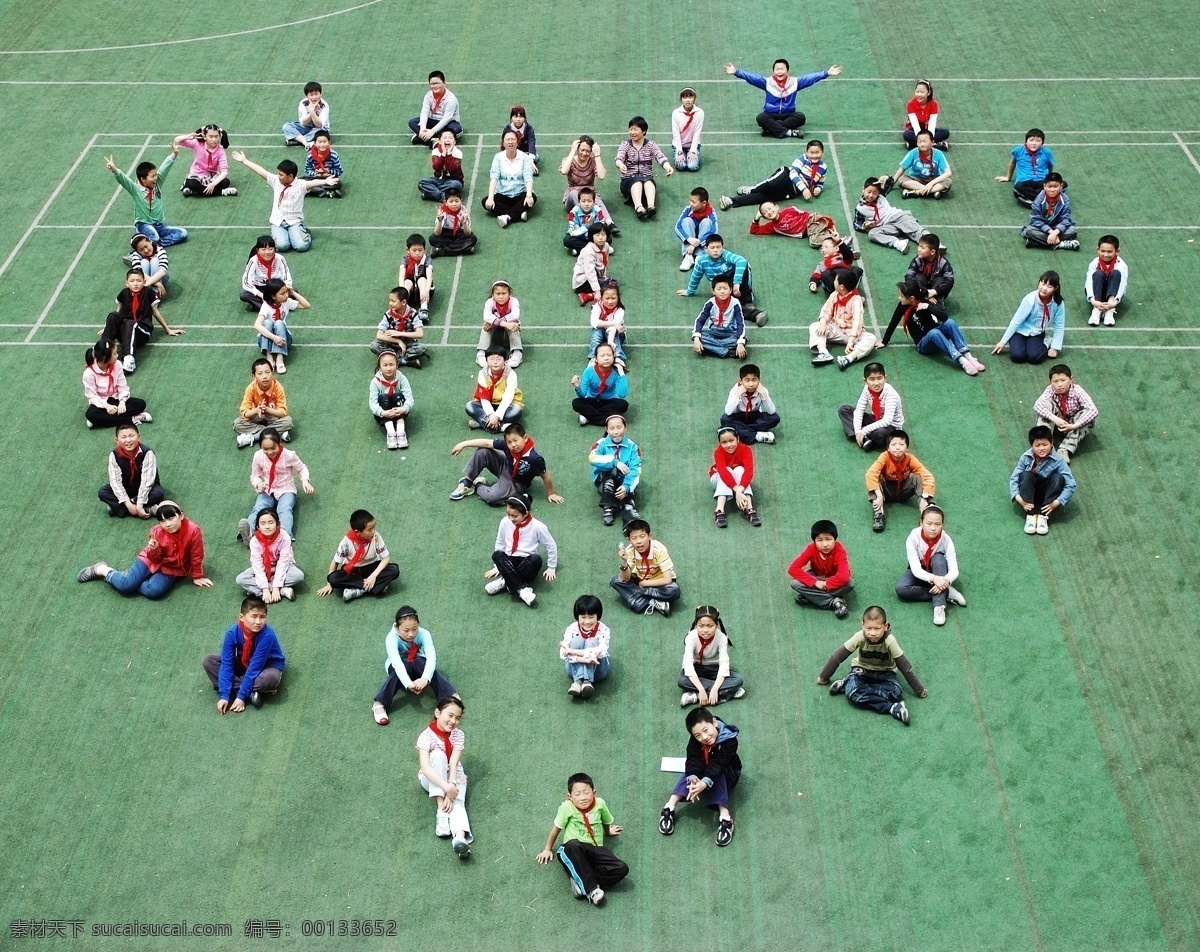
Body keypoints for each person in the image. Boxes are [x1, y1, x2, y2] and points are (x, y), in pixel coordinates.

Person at [78, 501, 212, 599]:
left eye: (171, 518)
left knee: (154, 591)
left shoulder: (193, 531)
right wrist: (155, 549)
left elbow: (196, 555)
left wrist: (197, 576)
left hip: (173, 568)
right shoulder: (156, 532)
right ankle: (101, 569)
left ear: (181, 516)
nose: (168, 524)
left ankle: (131, 578)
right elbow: (153, 558)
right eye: (163, 521)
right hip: (150, 560)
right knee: (125, 586)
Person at [818, 605, 926, 726]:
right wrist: (824, 677)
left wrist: (919, 690)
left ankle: (848, 684)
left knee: (896, 692)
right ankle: (893, 708)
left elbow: (905, 667)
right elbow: (837, 656)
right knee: (854, 694)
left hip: (886, 673)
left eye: (877, 628)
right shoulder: (859, 637)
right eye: (868, 628)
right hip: (862, 670)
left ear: (885, 626)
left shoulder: (890, 641)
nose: (872, 633)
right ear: (862, 624)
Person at [534, 773, 628, 907]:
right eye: (577, 794)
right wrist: (547, 849)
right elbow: (556, 829)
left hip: (594, 850)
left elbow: (605, 821)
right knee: (573, 844)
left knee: (622, 868)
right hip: (572, 850)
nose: (583, 798)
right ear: (570, 797)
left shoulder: (600, 804)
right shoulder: (567, 808)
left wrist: (608, 832)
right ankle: (592, 891)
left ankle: (580, 881)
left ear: (594, 792)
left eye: (586, 793)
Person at [658, 705, 741, 847]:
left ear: (714, 722)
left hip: (728, 773)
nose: (704, 738)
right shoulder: (695, 740)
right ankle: (669, 807)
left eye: (705, 730)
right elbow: (693, 759)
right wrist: (693, 779)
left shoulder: (730, 740)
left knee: (717, 772)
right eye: (698, 735)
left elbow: (719, 763)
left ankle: (725, 819)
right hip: (706, 770)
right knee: (690, 772)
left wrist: (704, 783)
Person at [230, 152, 337, 253]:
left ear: (290, 176)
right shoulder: (276, 181)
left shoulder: (300, 185)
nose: (278, 176)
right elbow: (261, 171)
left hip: (294, 221)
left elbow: (312, 183)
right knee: (282, 246)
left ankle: (305, 232)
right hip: (278, 222)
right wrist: (244, 160)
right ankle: (289, 234)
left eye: (281, 174)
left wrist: (324, 181)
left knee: (301, 246)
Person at [372, 605, 458, 725]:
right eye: (406, 631)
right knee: (404, 665)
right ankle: (380, 703)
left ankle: (449, 695)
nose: (411, 634)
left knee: (421, 662)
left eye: (415, 629)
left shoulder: (424, 634)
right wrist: (408, 684)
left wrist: (425, 678)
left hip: (418, 663)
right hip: (399, 667)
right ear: (397, 628)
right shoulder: (391, 638)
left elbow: (431, 658)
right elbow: (397, 663)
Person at [881, 280, 985, 375]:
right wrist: (884, 341)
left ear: (912, 298)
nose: (899, 298)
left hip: (936, 334)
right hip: (923, 344)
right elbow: (893, 322)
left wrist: (927, 307)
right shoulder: (902, 306)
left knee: (950, 323)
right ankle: (962, 361)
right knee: (934, 333)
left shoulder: (924, 302)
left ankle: (968, 357)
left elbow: (944, 317)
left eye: (901, 296)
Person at [414, 696, 473, 859]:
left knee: (457, 802)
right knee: (439, 756)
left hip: (454, 775)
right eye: (450, 715)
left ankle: (460, 839)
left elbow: (453, 763)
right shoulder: (425, 737)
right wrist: (446, 789)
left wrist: (452, 786)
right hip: (431, 778)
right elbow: (426, 768)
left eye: (458, 718)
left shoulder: (458, 735)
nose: (453, 721)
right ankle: (441, 812)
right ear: (437, 713)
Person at [203, 596, 285, 712]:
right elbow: (227, 663)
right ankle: (251, 694)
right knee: (209, 661)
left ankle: (235, 688)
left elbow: (255, 666)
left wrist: (241, 697)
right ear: (241, 617)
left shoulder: (267, 636)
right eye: (254, 616)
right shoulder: (231, 633)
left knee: (269, 679)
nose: (258, 622)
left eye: (262, 617)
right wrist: (224, 696)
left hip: (267, 666)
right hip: (244, 663)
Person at [449, 422, 565, 505]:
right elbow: (486, 443)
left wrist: (551, 494)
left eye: (516, 440)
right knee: (483, 451)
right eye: (509, 442)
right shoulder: (507, 446)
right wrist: (463, 444)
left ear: (525, 438)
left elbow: (546, 476)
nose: (513, 445)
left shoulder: (534, 459)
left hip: (516, 482)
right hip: (506, 467)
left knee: (492, 498)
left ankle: (477, 485)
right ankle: (467, 482)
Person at [723, 58, 842, 137]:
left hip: (788, 114)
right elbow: (752, 78)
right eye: (777, 69)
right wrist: (736, 72)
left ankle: (771, 129)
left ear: (787, 70)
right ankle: (789, 132)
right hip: (770, 114)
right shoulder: (767, 82)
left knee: (800, 117)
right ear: (773, 71)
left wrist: (827, 73)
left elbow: (810, 78)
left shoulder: (795, 82)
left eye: (782, 69)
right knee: (761, 117)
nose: (779, 71)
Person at [236, 427, 314, 543]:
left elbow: (302, 468)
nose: (270, 452)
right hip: (268, 489)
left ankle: (285, 535)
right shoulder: (258, 456)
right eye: (265, 449)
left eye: (273, 448)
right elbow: (254, 475)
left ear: (279, 443)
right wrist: (258, 484)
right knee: (259, 508)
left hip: (286, 489)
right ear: (261, 447)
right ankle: (249, 532)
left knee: (284, 509)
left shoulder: (289, 455)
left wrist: (305, 481)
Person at [102, 268, 184, 372]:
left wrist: (168, 330)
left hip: (142, 331)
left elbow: (155, 312)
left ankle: (129, 359)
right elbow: (118, 311)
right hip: (126, 330)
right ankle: (103, 352)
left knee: (131, 323)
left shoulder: (148, 292)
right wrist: (108, 327)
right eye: (132, 281)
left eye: (138, 281)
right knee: (113, 316)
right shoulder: (124, 293)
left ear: (144, 282)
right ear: (127, 283)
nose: (135, 284)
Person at [896, 505, 965, 627]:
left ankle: (939, 607)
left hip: (940, 571)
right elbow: (916, 569)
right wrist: (936, 581)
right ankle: (946, 593)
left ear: (942, 524)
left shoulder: (946, 540)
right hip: (922, 570)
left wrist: (946, 580)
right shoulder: (913, 538)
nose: (933, 528)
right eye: (929, 523)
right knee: (901, 588)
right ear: (921, 523)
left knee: (939, 559)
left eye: (938, 524)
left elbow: (954, 569)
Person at [103, 148, 188, 247]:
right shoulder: (136, 190)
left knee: (183, 233)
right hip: (143, 225)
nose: (156, 178)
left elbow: (164, 168)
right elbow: (124, 181)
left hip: (159, 225)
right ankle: (147, 245)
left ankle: (154, 246)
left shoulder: (157, 183)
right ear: (143, 179)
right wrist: (114, 170)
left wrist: (174, 154)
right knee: (154, 238)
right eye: (152, 176)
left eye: (155, 174)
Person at [484, 493, 558, 607]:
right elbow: (500, 542)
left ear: (525, 514)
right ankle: (522, 590)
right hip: (510, 560)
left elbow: (551, 545)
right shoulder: (505, 522)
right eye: (508, 514)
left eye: (515, 516)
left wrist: (551, 567)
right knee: (497, 555)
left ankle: (505, 581)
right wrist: (497, 567)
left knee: (536, 559)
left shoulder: (538, 526)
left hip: (527, 562)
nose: (511, 518)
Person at [678, 233, 767, 327]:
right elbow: (695, 276)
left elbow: (741, 261)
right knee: (724, 307)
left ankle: (747, 300)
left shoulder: (726, 255)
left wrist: (737, 282)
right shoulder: (702, 261)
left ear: (722, 248)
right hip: (721, 285)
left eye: (718, 247)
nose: (715, 250)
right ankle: (756, 314)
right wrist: (689, 291)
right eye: (712, 248)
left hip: (734, 280)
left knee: (743, 268)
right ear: (706, 249)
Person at [316, 508, 400, 602]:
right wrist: (329, 584)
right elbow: (335, 562)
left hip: (371, 567)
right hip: (353, 571)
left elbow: (386, 558)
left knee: (394, 570)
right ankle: (377, 586)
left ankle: (358, 591)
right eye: (369, 529)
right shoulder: (346, 542)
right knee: (333, 578)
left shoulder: (376, 537)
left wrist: (373, 576)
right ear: (357, 532)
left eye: (374, 527)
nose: (373, 531)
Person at [1010, 425, 1076, 535]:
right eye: (1037, 445)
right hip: (1029, 494)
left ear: (1052, 443)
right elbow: (1014, 479)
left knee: (1058, 478)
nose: (1041, 448)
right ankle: (1030, 515)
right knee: (1025, 475)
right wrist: (1020, 500)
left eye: (1045, 444)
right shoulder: (1025, 457)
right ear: (1032, 446)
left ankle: (1043, 516)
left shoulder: (1058, 460)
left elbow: (1071, 484)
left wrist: (1056, 503)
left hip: (1048, 496)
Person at [720, 141, 826, 210]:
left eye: (817, 152)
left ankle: (730, 200)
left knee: (763, 198)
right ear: (806, 152)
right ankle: (752, 189)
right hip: (786, 177)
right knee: (770, 185)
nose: (814, 155)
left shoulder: (823, 168)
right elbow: (793, 173)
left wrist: (818, 189)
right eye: (811, 152)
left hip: (792, 191)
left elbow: (820, 183)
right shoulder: (802, 158)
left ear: (822, 153)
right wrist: (804, 189)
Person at [865, 430, 935, 532]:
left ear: (907, 447)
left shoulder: (910, 459)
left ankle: (926, 513)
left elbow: (927, 476)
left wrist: (925, 497)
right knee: (875, 477)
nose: (897, 447)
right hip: (887, 491)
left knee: (918, 478)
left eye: (901, 444)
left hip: (903, 490)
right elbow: (870, 474)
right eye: (894, 444)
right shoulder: (884, 457)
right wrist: (879, 495)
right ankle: (879, 514)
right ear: (888, 448)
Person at [992, 271, 1065, 364]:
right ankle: (1016, 342)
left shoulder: (1058, 303)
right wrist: (1002, 342)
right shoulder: (1029, 299)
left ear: (1055, 288)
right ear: (1039, 282)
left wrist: (1055, 347)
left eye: (1049, 286)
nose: (1044, 288)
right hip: (1019, 331)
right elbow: (1016, 321)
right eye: (1043, 284)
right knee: (1017, 356)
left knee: (1035, 358)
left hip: (1037, 332)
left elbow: (1059, 325)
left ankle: (1047, 342)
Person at [610, 518, 680, 616]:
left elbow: (667, 580)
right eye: (634, 538)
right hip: (640, 578)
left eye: (642, 536)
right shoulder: (629, 550)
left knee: (674, 590)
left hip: (659, 582)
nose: (638, 541)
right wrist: (624, 561)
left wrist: (645, 584)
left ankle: (638, 598)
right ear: (629, 540)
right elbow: (625, 579)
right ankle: (653, 602)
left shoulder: (659, 550)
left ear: (649, 536)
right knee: (616, 581)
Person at [678, 605, 745, 706]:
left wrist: (715, 689)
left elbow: (724, 664)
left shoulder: (721, 638)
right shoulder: (691, 637)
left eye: (710, 626)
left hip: (714, 668)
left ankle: (695, 696)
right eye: (701, 626)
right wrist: (701, 688)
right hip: (697, 668)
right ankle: (727, 692)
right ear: (696, 624)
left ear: (717, 624)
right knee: (682, 681)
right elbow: (688, 666)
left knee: (738, 679)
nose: (705, 630)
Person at [809, 269, 876, 370]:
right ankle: (823, 352)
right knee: (815, 326)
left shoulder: (856, 300)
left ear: (842, 286)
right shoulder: (835, 294)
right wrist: (822, 322)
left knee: (871, 338)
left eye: (835, 281)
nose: (833, 282)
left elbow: (857, 322)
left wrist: (851, 340)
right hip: (836, 329)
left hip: (852, 334)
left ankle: (848, 358)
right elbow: (826, 310)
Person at [1033, 363, 1098, 463]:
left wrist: (1074, 426)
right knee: (1045, 405)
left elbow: (1093, 410)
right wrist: (1055, 419)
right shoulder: (1050, 390)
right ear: (1050, 382)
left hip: (1072, 426)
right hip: (1056, 424)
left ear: (1071, 379)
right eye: (1055, 381)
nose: (1059, 384)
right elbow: (1037, 405)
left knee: (1088, 418)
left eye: (1063, 380)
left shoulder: (1077, 390)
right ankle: (1044, 444)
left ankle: (1064, 450)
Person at [235, 508, 304, 603]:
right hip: (264, 567)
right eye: (263, 523)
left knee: (298, 576)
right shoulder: (255, 541)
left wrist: (276, 587)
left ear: (277, 524)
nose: (267, 527)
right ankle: (282, 591)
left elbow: (283, 563)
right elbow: (257, 566)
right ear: (258, 526)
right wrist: (265, 590)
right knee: (241, 579)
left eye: (271, 522)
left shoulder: (284, 537)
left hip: (282, 567)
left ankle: (257, 591)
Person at [788, 519, 853, 618]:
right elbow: (792, 569)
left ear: (835, 539)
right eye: (820, 540)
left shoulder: (840, 551)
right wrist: (815, 582)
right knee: (795, 583)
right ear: (814, 541)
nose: (825, 544)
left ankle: (811, 596)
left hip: (834, 579)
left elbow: (843, 576)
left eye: (828, 539)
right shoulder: (811, 549)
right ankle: (834, 601)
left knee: (849, 583)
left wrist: (826, 584)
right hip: (817, 577)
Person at [98, 422, 164, 518]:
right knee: (103, 492)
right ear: (117, 440)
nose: (128, 440)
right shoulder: (114, 455)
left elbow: (147, 481)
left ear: (138, 437)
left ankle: (118, 508)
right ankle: (147, 509)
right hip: (127, 488)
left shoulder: (148, 453)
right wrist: (128, 505)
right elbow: (115, 482)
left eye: (131, 436)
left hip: (147, 489)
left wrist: (140, 503)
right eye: (123, 437)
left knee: (158, 493)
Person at [82, 339, 152, 429]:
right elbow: (92, 396)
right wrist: (107, 406)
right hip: (101, 403)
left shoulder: (117, 364)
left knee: (140, 404)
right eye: (115, 354)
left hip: (116, 399)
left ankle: (100, 421)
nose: (117, 355)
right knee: (91, 414)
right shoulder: (89, 373)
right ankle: (132, 419)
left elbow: (122, 386)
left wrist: (122, 402)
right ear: (105, 358)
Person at [838, 361, 905, 452]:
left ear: (885, 378)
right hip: (875, 419)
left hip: (891, 426)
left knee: (880, 433)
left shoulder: (890, 394)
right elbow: (859, 410)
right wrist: (858, 431)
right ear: (865, 381)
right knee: (844, 410)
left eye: (879, 378)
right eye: (872, 379)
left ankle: (867, 437)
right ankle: (864, 439)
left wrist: (864, 430)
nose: (876, 383)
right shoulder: (867, 389)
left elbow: (887, 420)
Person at [614, 116, 673, 219]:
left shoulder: (651, 145)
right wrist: (620, 164)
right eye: (631, 129)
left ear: (644, 131)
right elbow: (619, 157)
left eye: (635, 130)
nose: (632, 132)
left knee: (648, 181)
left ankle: (651, 206)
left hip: (646, 177)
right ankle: (639, 208)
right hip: (628, 181)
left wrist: (667, 166)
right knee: (637, 181)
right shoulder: (625, 145)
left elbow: (660, 156)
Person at [589, 414, 642, 527]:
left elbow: (636, 469)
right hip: (604, 482)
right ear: (606, 430)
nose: (616, 432)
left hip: (624, 482)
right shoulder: (601, 443)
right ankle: (608, 506)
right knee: (612, 469)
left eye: (619, 427)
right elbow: (592, 459)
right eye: (612, 428)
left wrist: (627, 487)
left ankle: (629, 511)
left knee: (627, 498)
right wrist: (615, 462)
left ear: (625, 427)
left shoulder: (633, 447)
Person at [853, 177, 928, 253]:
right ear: (863, 189)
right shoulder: (860, 208)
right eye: (868, 192)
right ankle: (898, 243)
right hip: (887, 226)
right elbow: (857, 224)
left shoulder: (881, 196)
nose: (871, 195)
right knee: (872, 234)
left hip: (897, 217)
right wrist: (863, 227)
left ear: (878, 193)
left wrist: (886, 177)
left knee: (915, 229)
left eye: (875, 193)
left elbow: (890, 182)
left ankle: (932, 244)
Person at [233, 357, 294, 448]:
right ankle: (277, 433)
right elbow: (245, 413)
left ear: (272, 373)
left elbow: (282, 413)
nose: (264, 376)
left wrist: (267, 409)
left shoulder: (278, 387)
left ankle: (253, 437)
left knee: (288, 421)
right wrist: (256, 410)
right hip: (256, 417)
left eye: (267, 372)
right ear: (254, 377)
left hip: (273, 416)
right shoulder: (250, 388)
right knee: (237, 424)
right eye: (260, 373)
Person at [254, 277, 309, 374]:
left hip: (284, 338)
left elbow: (306, 305)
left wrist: (293, 293)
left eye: (286, 292)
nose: (286, 295)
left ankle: (280, 358)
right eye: (282, 293)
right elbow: (257, 325)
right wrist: (274, 338)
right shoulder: (266, 306)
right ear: (273, 296)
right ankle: (269, 356)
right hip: (267, 339)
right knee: (267, 323)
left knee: (279, 322)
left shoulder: (286, 302)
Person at [560, 594, 611, 698]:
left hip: (598, 672)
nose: (587, 622)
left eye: (591, 617)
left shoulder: (604, 630)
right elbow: (563, 654)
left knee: (592, 641)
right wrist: (586, 660)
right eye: (583, 617)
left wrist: (573, 652)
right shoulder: (572, 629)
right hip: (573, 671)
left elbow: (601, 652)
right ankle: (578, 682)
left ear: (598, 616)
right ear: (577, 616)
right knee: (577, 640)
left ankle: (587, 682)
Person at [559, 137, 615, 230]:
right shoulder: (568, 160)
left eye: (588, 151)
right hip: (573, 196)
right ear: (577, 149)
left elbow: (601, 176)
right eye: (582, 150)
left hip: (589, 194)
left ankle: (609, 222)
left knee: (594, 198)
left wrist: (597, 155)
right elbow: (564, 171)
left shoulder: (593, 161)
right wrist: (572, 151)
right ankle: (589, 219)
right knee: (574, 194)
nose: (584, 153)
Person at [482, 130, 536, 227]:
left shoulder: (524, 157)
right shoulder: (498, 157)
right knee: (485, 202)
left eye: (513, 139)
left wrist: (528, 195)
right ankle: (519, 213)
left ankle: (507, 216)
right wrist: (490, 197)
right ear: (503, 142)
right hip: (503, 194)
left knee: (533, 197)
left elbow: (528, 177)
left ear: (517, 142)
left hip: (520, 194)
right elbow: (494, 177)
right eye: (508, 139)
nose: (510, 142)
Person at [710, 426, 761, 527]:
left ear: (737, 439)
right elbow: (723, 473)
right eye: (724, 442)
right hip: (718, 479)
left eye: (731, 440)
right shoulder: (718, 452)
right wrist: (737, 490)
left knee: (740, 469)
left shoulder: (746, 450)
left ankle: (748, 508)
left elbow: (749, 472)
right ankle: (719, 510)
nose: (728, 445)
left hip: (738, 481)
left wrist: (738, 490)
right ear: (719, 443)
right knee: (728, 470)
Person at [720, 363, 780, 445]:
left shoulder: (762, 390)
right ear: (740, 381)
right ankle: (757, 435)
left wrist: (764, 395)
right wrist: (738, 395)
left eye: (754, 380)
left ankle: (740, 431)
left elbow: (772, 412)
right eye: (747, 380)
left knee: (775, 418)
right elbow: (727, 412)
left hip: (754, 415)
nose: (751, 384)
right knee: (725, 419)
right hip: (739, 416)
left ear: (759, 379)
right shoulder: (735, 390)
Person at [466, 346, 523, 430]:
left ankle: (482, 423)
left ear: (505, 361)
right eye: (492, 359)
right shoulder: (482, 373)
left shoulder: (511, 374)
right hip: (489, 403)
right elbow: (484, 398)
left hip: (506, 405)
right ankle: (502, 427)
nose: (495, 362)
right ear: (486, 361)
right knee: (469, 406)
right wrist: (491, 414)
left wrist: (497, 415)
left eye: (498, 359)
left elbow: (508, 397)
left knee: (516, 411)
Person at [572, 342, 629, 426]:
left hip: (609, 401)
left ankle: (588, 416)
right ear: (596, 359)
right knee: (576, 403)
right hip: (592, 400)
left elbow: (622, 394)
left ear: (613, 357)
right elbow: (583, 394)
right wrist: (577, 387)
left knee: (623, 405)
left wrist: (621, 373)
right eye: (602, 356)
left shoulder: (616, 371)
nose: (606, 358)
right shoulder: (589, 371)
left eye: (609, 355)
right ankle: (607, 421)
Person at [1021, 173, 1080, 251]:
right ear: (1044, 186)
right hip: (1042, 229)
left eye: (1055, 186)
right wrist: (1051, 232)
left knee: (1073, 230)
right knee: (1028, 231)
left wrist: (1055, 233)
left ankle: (1039, 242)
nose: (1052, 190)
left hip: (1057, 228)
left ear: (1061, 186)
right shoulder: (1039, 199)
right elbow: (1035, 220)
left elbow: (1066, 220)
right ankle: (1061, 244)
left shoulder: (1065, 199)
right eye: (1049, 186)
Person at [692, 276, 746, 359]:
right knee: (699, 337)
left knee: (740, 339)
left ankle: (711, 348)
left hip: (731, 332)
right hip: (715, 332)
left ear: (730, 290)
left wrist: (740, 343)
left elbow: (740, 323)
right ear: (713, 291)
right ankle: (727, 352)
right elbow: (700, 320)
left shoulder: (735, 303)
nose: (722, 291)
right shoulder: (710, 303)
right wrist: (696, 338)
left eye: (725, 288)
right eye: (719, 289)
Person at [996, 127, 1054, 206]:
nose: (1034, 143)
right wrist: (1008, 177)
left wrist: (1050, 179)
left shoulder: (1046, 152)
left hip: (1041, 181)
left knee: (1062, 185)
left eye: (1038, 141)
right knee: (1018, 188)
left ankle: (1032, 201)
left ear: (1042, 143)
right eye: (1031, 140)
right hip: (1025, 182)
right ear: (1025, 142)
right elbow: (1013, 163)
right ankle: (1045, 201)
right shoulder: (1018, 151)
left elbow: (1050, 166)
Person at [371, 286, 426, 368]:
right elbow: (379, 335)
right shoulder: (388, 314)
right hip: (392, 342)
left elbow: (420, 334)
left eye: (393, 301)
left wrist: (399, 333)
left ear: (403, 302)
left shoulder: (413, 313)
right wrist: (398, 341)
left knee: (421, 348)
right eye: (389, 300)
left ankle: (392, 359)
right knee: (374, 345)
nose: (390, 303)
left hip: (408, 343)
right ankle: (405, 360)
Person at [370, 351, 415, 451]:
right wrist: (382, 412)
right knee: (383, 397)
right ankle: (391, 433)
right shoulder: (375, 382)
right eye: (385, 365)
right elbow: (373, 403)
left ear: (397, 365)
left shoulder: (401, 378)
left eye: (391, 364)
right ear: (379, 366)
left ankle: (400, 432)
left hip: (398, 410)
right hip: (384, 412)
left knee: (398, 396)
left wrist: (403, 409)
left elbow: (409, 398)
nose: (388, 368)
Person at [173, 124, 235, 197]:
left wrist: (212, 184)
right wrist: (188, 136)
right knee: (192, 183)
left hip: (211, 176)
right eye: (211, 137)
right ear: (205, 137)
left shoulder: (220, 151)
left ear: (219, 136)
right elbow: (177, 140)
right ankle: (222, 192)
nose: (214, 140)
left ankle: (194, 191)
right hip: (196, 174)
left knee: (225, 182)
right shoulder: (197, 144)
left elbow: (224, 172)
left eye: (216, 136)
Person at [892, 130, 952, 198]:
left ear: (932, 142)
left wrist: (931, 183)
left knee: (948, 182)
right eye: (919, 142)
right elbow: (902, 168)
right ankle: (932, 191)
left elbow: (948, 173)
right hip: (917, 179)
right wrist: (892, 183)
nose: (922, 144)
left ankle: (917, 192)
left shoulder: (938, 154)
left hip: (934, 179)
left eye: (925, 141)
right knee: (902, 179)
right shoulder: (913, 153)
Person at [1085, 234, 1129, 326]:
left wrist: (1114, 303)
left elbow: (1122, 285)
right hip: (1096, 295)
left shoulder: (1122, 265)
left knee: (1116, 273)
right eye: (1103, 251)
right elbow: (1089, 283)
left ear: (1117, 251)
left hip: (1113, 295)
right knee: (1098, 273)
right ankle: (1097, 310)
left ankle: (1109, 310)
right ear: (1098, 250)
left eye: (1109, 252)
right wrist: (1093, 301)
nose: (1106, 254)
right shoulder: (1094, 263)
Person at [240, 236, 293, 312]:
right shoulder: (253, 260)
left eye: (270, 249)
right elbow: (246, 282)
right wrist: (261, 295)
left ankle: (261, 306)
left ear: (275, 249)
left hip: (276, 288)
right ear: (258, 250)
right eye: (263, 249)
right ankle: (275, 306)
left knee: (292, 292)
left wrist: (285, 288)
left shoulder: (280, 258)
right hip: (260, 287)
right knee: (244, 294)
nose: (267, 252)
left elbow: (287, 277)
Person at [476, 280, 521, 368]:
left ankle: (517, 352)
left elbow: (515, 314)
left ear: (509, 293)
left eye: (504, 293)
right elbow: (487, 316)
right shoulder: (489, 302)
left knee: (513, 324)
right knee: (487, 324)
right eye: (498, 293)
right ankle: (481, 353)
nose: (501, 296)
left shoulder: (514, 301)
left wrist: (497, 323)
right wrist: (504, 323)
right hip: (494, 339)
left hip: (507, 338)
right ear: (493, 295)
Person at [409, 71, 463, 145]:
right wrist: (422, 128)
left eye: (437, 83)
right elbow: (424, 112)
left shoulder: (451, 99)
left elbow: (446, 119)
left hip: (448, 123)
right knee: (412, 122)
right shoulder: (428, 96)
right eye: (432, 84)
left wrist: (432, 131)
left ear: (444, 83)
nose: (435, 86)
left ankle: (424, 138)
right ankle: (434, 140)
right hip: (433, 121)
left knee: (455, 130)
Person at [674, 186, 719, 271]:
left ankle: (700, 256)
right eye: (690, 200)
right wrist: (689, 239)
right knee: (686, 221)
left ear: (704, 203)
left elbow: (714, 232)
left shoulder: (711, 212)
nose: (690, 203)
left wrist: (696, 243)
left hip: (701, 242)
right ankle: (688, 256)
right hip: (691, 240)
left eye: (693, 202)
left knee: (707, 222)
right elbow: (677, 227)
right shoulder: (688, 209)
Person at [903, 233, 954, 303]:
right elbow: (909, 277)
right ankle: (920, 301)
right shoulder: (916, 261)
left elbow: (949, 281)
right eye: (919, 246)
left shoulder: (943, 263)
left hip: (935, 292)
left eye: (922, 247)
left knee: (940, 280)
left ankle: (937, 305)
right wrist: (923, 292)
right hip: (921, 292)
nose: (919, 249)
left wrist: (934, 292)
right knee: (918, 277)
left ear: (932, 252)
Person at [587, 281, 627, 369]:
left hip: (614, 334)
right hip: (601, 331)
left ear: (618, 298)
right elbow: (594, 323)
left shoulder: (620, 310)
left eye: (613, 298)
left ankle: (618, 357)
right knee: (596, 332)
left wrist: (610, 342)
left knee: (615, 333)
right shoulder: (597, 306)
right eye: (607, 298)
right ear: (602, 298)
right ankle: (594, 357)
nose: (610, 301)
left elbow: (613, 328)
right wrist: (614, 323)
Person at [572, 223, 615, 306]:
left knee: (612, 284)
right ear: (592, 237)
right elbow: (590, 273)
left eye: (603, 234)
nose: (601, 238)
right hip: (583, 281)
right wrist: (597, 291)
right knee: (612, 285)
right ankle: (595, 296)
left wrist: (603, 277)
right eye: (597, 235)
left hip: (595, 276)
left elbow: (603, 263)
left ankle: (587, 296)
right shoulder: (588, 251)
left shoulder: (605, 245)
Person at [429, 185, 477, 257]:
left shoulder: (464, 211)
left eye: (457, 201)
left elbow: (468, 233)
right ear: (445, 202)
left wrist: (464, 223)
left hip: (459, 233)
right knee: (432, 239)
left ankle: (441, 251)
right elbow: (437, 233)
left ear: (461, 200)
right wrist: (439, 221)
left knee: (473, 239)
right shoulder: (442, 211)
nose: (454, 204)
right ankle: (464, 249)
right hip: (446, 233)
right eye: (451, 201)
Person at [418, 129, 465, 202]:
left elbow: (453, 169)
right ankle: (442, 196)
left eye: (450, 138)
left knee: (456, 186)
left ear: (454, 141)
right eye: (445, 138)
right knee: (421, 183)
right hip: (439, 180)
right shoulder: (435, 151)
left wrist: (449, 154)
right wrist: (443, 154)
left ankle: (430, 193)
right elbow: (436, 167)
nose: (448, 140)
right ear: (439, 141)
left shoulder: (458, 152)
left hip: (454, 180)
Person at [564, 187, 613, 255]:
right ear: (578, 202)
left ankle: (580, 250)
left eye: (589, 201)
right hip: (580, 237)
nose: (586, 204)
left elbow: (601, 227)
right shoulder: (573, 212)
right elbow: (573, 232)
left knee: (609, 238)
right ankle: (600, 249)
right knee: (567, 240)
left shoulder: (597, 210)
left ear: (593, 202)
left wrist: (593, 227)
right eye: (583, 201)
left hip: (594, 237)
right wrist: (587, 226)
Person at [901, 80, 949, 150]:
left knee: (945, 133)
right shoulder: (911, 105)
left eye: (922, 92)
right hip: (914, 131)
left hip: (927, 130)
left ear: (928, 92)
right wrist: (923, 139)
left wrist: (929, 138)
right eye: (917, 92)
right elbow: (915, 125)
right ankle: (934, 146)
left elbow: (932, 123)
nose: (919, 94)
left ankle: (915, 145)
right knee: (907, 135)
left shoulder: (934, 104)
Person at [398, 234, 434, 321]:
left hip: (424, 291)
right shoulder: (405, 259)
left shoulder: (427, 259)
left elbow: (429, 277)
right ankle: (403, 310)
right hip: (410, 292)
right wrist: (401, 293)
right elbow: (401, 276)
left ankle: (424, 309)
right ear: (408, 250)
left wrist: (426, 291)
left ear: (424, 249)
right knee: (407, 282)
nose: (417, 253)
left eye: (420, 250)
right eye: (414, 250)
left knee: (422, 280)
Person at [283, 81, 329, 147]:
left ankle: (297, 140)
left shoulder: (324, 105)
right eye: (311, 95)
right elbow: (304, 122)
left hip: (320, 129)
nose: (314, 97)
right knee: (286, 126)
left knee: (320, 134)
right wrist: (312, 111)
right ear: (306, 96)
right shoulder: (303, 103)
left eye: (316, 94)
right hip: (306, 127)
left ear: (320, 94)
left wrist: (313, 112)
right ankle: (306, 142)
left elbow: (319, 125)